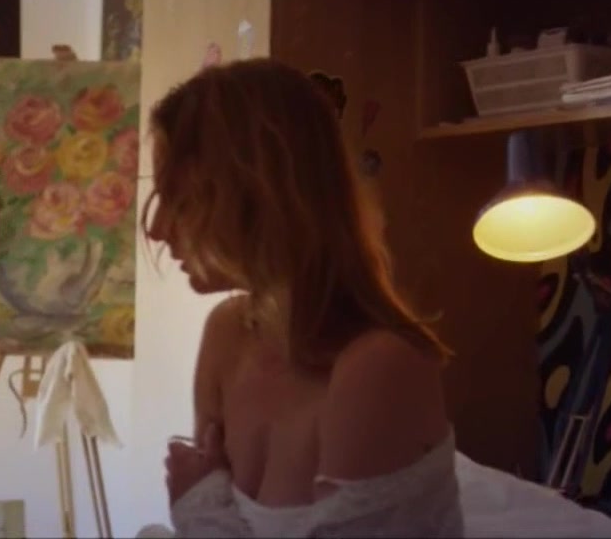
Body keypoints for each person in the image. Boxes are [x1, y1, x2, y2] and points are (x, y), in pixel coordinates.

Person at [142, 59, 464, 537]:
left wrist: (198, 506)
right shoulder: (227, 335)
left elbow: (209, 522)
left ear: (262, 195)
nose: (156, 228)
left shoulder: (379, 368)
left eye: (182, 200)